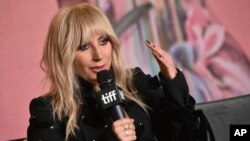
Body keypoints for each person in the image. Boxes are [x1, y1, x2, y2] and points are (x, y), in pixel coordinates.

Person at [27, 3, 198, 141]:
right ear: (63, 54)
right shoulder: (47, 111)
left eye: (103, 41)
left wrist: (172, 80)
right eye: (84, 46)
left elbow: (184, 136)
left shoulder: (135, 83)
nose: (99, 55)